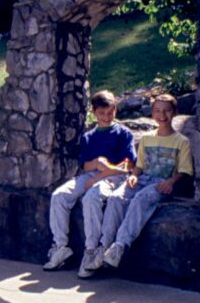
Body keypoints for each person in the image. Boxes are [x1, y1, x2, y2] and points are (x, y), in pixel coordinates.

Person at [44, 90, 137, 278]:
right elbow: (86, 166)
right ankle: (61, 247)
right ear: (94, 112)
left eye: (110, 112)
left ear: (115, 110)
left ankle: (91, 250)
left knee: (92, 196)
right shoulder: (89, 136)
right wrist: (95, 165)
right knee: (59, 195)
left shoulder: (123, 133)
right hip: (92, 174)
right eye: (102, 113)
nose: (106, 117)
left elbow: (128, 165)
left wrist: (103, 172)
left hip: (115, 176)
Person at [95, 93, 193, 269]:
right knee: (116, 197)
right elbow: (139, 166)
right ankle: (104, 246)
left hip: (161, 184)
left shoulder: (181, 141)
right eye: (157, 111)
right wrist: (133, 175)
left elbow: (185, 171)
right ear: (152, 113)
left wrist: (171, 182)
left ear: (175, 112)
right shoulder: (147, 138)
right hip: (142, 179)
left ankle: (120, 246)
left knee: (141, 199)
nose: (162, 116)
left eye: (166, 111)